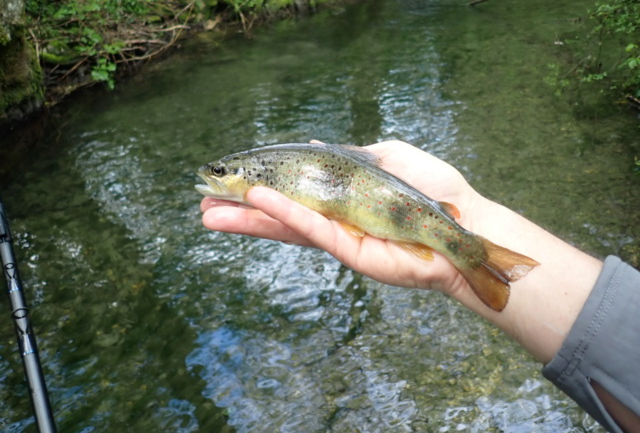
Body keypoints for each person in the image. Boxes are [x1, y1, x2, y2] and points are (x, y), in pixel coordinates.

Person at [199, 140, 640, 433]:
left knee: (462, 247)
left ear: (250, 174)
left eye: (221, 172)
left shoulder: (270, 166)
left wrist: (469, 218)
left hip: (397, 208)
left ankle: (469, 253)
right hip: (383, 207)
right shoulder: (272, 167)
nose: (215, 176)